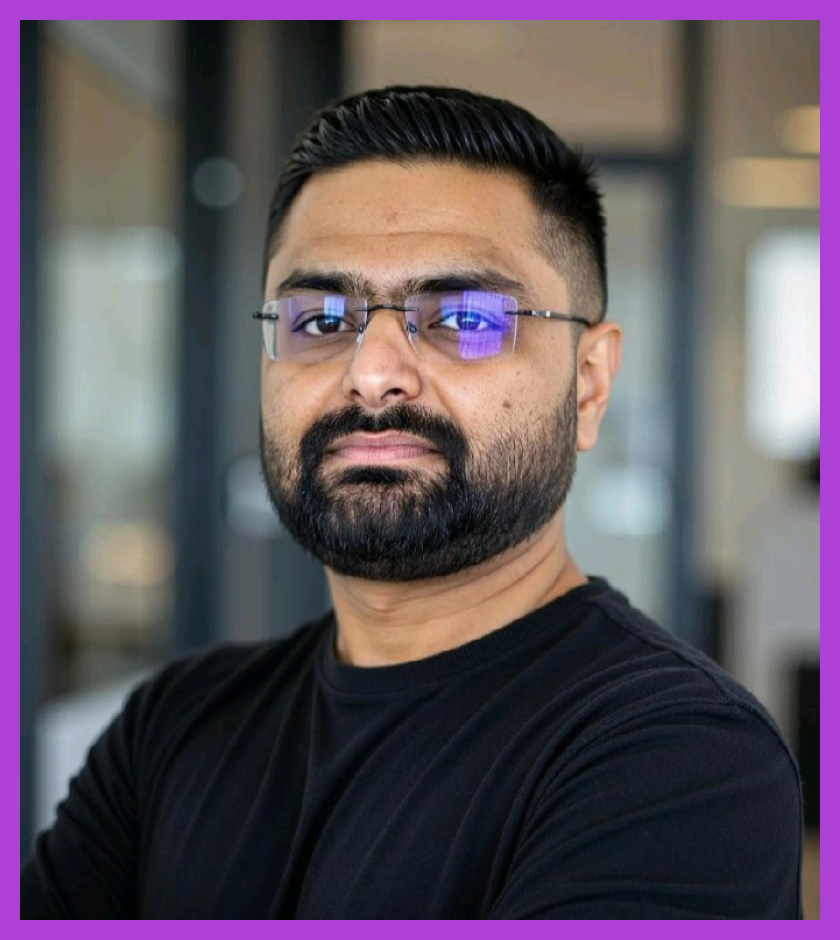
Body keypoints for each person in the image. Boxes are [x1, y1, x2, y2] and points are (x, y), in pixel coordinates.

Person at [21, 85, 802, 919]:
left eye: (464, 317)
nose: (371, 373)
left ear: (587, 385)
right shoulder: (175, 726)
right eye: (321, 319)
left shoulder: (679, 761)